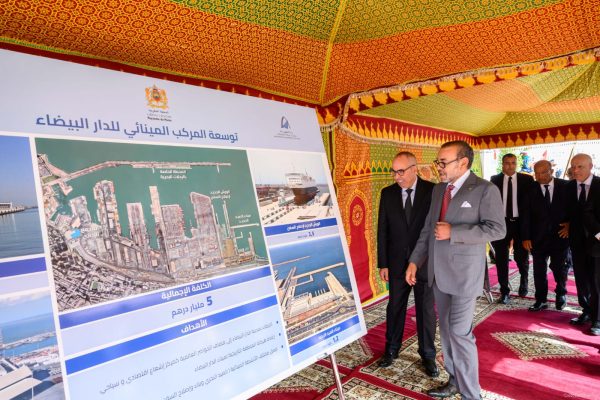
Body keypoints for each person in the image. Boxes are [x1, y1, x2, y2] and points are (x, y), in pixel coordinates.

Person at [406, 141, 505, 399]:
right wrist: (415, 261)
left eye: (443, 162)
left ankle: (471, 395)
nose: (438, 167)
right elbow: (428, 229)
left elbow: (497, 229)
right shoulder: (439, 190)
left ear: (463, 162)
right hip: (439, 274)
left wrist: (455, 232)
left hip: (465, 276)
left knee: (460, 332)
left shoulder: (485, 189)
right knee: (447, 331)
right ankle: (453, 379)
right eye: (437, 161)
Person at [376, 151, 438, 376]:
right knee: (395, 307)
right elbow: (382, 230)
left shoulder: (433, 191)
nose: (396, 176)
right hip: (396, 263)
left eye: (401, 171)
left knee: (425, 310)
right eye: (394, 172)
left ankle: (428, 355)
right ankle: (391, 349)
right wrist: (383, 263)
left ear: (414, 169)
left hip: (425, 262)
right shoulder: (388, 193)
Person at [520, 160, 569, 312]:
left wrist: (570, 224)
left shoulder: (565, 186)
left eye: (543, 172)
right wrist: (525, 237)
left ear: (551, 171)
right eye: (537, 173)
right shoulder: (530, 189)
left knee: (559, 268)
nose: (540, 176)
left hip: (560, 236)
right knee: (539, 270)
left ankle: (561, 293)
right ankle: (541, 299)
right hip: (537, 238)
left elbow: (575, 209)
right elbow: (525, 214)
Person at [490, 153, 534, 304]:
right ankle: (504, 291)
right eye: (507, 163)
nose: (510, 166)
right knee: (501, 258)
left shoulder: (527, 180)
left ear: (516, 164)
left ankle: (524, 280)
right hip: (501, 223)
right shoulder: (494, 180)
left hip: (521, 224)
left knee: (521, 257)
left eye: (513, 163)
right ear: (502, 164)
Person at [564, 154, 600, 326]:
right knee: (581, 279)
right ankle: (586, 310)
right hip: (577, 242)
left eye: (580, 167)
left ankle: (597, 320)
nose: (575, 170)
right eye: (573, 167)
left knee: (596, 281)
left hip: (597, 243)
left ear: (591, 166)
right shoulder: (569, 187)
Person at [583, 173, 600, 335]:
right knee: (597, 284)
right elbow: (587, 212)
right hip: (598, 244)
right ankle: (597, 320)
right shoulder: (598, 185)